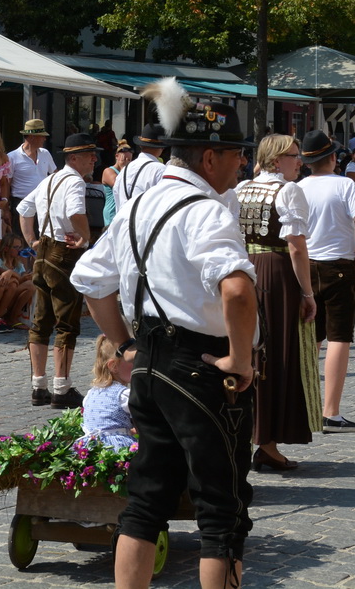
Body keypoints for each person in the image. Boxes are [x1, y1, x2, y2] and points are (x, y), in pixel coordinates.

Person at [70, 79, 259, 589]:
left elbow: (90, 280)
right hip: (202, 366)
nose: (241, 164)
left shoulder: (136, 205)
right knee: (222, 509)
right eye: (236, 155)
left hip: (150, 365)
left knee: (146, 500)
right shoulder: (205, 211)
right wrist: (241, 360)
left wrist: (127, 343)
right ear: (210, 156)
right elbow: (238, 292)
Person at [234, 134, 319, 472]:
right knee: (278, 354)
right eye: (294, 156)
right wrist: (308, 293)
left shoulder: (240, 190)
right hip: (276, 274)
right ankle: (267, 442)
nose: (300, 162)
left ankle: (251, 436)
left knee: (250, 351)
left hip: (245, 272)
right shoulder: (288, 191)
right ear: (274, 161)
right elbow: (297, 247)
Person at [299, 129, 355, 432]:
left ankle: (305, 405)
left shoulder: (297, 187)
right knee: (339, 337)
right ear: (332, 158)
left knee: (311, 340)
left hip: (306, 267)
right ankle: (331, 411)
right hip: (338, 266)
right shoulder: (345, 185)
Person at [17, 133, 96, 409]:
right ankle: (61, 388)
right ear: (74, 158)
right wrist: (85, 239)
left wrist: (32, 241)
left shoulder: (49, 180)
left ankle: (38, 386)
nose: (94, 159)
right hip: (63, 253)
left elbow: (24, 209)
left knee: (41, 322)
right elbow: (76, 213)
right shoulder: (74, 181)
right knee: (67, 323)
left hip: (43, 253)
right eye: (90, 155)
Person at [77, 335, 137, 452]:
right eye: (132, 361)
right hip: (117, 447)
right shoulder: (123, 395)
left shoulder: (91, 393)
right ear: (114, 366)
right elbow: (144, 422)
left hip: (92, 446)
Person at [113, 124, 168, 218]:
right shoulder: (160, 170)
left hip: (122, 227)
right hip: (146, 229)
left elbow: (117, 202)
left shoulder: (124, 170)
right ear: (162, 147)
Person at [6, 120, 56, 222]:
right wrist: (6, 209)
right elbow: (7, 183)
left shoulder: (45, 153)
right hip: (20, 204)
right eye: (42, 136)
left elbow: (55, 175)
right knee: (21, 236)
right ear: (32, 137)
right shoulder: (12, 157)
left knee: (43, 236)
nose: (45, 139)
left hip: (43, 204)